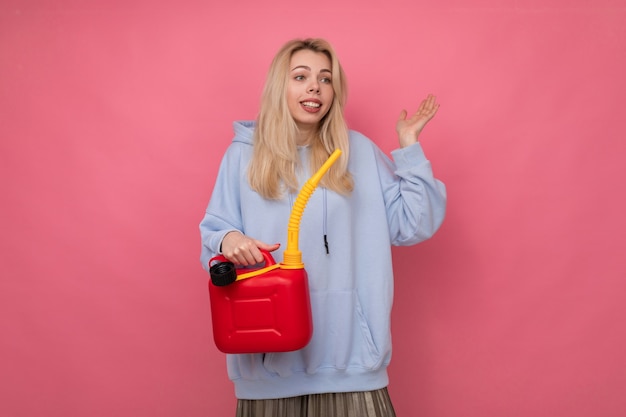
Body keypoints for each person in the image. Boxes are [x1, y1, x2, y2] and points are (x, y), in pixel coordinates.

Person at [199, 38, 446, 417]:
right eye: (301, 76)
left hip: (353, 366)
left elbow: (414, 225)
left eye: (325, 79)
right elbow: (214, 237)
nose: (315, 86)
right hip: (269, 366)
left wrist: (409, 148)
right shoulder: (242, 155)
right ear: (280, 86)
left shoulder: (357, 152)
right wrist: (231, 239)